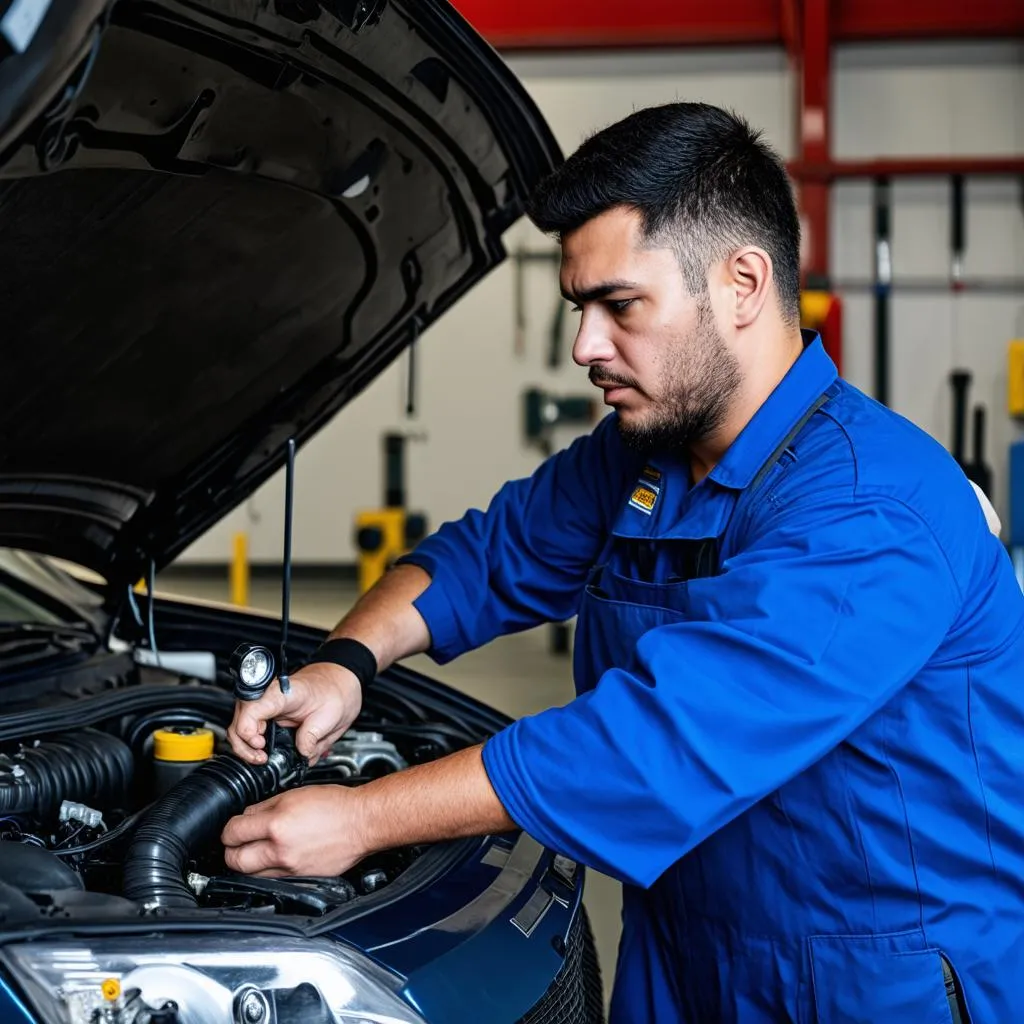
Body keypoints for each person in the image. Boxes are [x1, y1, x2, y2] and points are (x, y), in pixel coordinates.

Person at [221, 103, 1024, 1022]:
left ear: (743, 283)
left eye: (619, 306)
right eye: (579, 307)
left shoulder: (870, 507)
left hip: (871, 982)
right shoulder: (642, 453)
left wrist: (361, 819)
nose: (584, 347)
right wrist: (346, 663)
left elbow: (652, 744)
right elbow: (487, 556)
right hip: (685, 957)